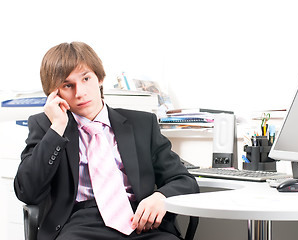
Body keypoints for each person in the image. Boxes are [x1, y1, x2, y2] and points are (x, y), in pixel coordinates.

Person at [14, 42, 199, 240]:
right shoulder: (46, 126)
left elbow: (184, 180)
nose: (80, 92)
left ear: (100, 78)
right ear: (54, 93)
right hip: (80, 223)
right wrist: (57, 128)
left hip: (140, 222)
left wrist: (160, 197)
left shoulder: (142, 124)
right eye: (68, 85)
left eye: (86, 78)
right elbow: (27, 191)